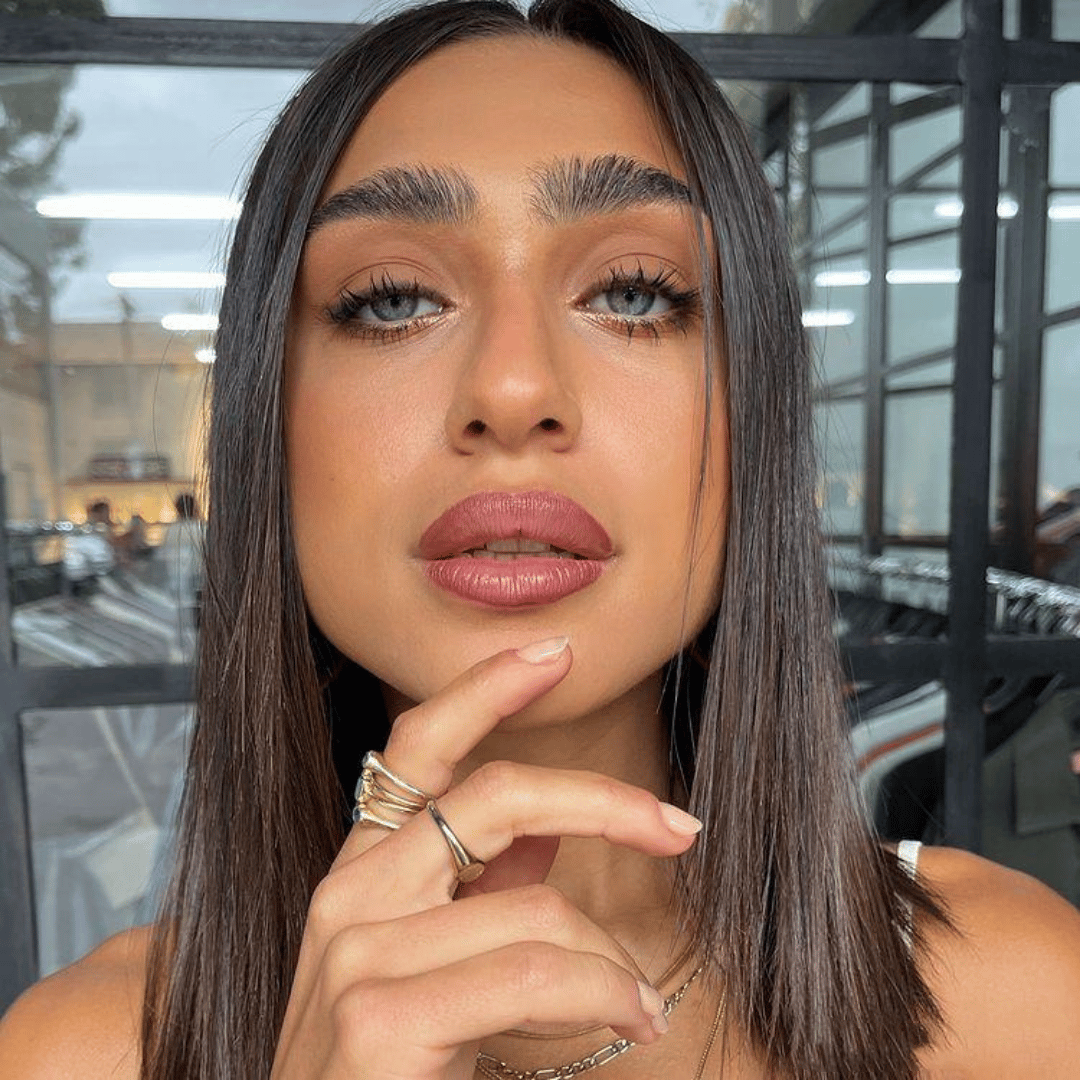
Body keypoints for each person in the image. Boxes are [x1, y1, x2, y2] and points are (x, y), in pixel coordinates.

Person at [2, 2, 1080, 1077]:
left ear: (753, 412)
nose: (513, 391)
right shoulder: (78, 1054)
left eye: (634, 292)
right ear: (268, 419)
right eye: (391, 302)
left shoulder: (1021, 999)